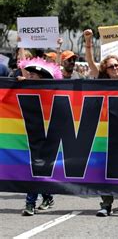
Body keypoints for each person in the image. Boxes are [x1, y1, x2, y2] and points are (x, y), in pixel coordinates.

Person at [83, 29, 118, 216]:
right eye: (111, 67)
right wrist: (88, 41)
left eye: (117, 66)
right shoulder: (101, 82)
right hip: (103, 131)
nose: (115, 69)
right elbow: (89, 61)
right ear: (105, 70)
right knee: (104, 167)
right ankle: (106, 204)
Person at [17, 57, 62, 216]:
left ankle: (38, 199)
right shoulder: (25, 89)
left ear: (42, 79)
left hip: (50, 134)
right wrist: (19, 84)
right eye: (29, 75)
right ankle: (35, 201)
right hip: (31, 134)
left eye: (33, 76)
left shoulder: (52, 92)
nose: (29, 77)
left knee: (39, 167)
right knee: (35, 167)